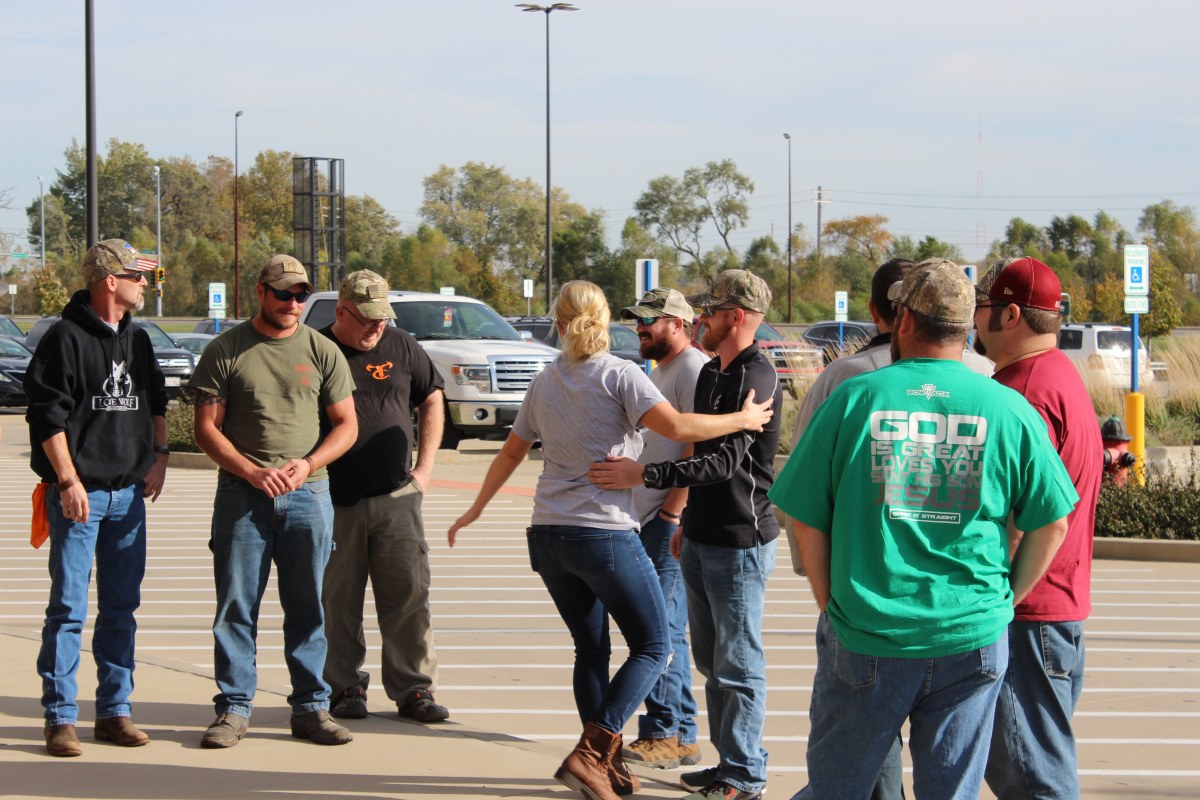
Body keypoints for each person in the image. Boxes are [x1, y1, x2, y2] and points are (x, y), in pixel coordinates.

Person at [447, 280, 773, 800]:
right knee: (654, 644)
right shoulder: (620, 374)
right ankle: (592, 754)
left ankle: (607, 764)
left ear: (558, 323)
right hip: (601, 534)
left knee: (591, 648)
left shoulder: (546, 379)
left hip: (547, 535)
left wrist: (475, 510)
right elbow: (682, 424)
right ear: (605, 324)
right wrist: (746, 418)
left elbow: (510, 454)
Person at [771, 259, 1078, 800]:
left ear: (905, 320)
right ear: (965, 328)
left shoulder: (854, 398)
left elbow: (803, 511)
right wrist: (1007, 601)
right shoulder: (1008, 407)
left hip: (868, 630)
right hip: (972, 636)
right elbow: (1052, 523)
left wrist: (829, 599)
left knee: (840, 788)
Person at [589, 269, 783, 800]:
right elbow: (695, 448)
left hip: (741, 540)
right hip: (701, 536)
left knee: (738, 664)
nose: (704, 320)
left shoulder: (757, 376)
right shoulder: (713, 373)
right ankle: (728, 765)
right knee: (710, 661)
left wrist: (644, 477)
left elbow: (723, 462)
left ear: (737, 317)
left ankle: (745, 774)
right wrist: (684, 520)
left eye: (713, 312)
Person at [190, 254, 358, 748]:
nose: (292, 303)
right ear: (260, 292)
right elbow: (205, 430)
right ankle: (233, 708)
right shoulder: (226, 349)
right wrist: (251, 471)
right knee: (236, 607)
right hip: (244, 497)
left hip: (309, 496)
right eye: (282, 293)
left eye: (301, 294)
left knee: (309, 607)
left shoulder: (321, 349)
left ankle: (311, 708)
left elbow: (347, 425)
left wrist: (306, 465)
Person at [25, 239, 168, 757]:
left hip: (128, 495)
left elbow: (155, 396)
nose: (144, 283)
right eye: (137, 275)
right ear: (110, 280)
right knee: (67, 609)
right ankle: (60, 718)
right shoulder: (64, 337)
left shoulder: (140, 338)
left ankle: (114, 712)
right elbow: (47, 416)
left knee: (120, 609)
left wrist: (160, 455)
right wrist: (67, 482)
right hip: (78, 497)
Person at [974, 257, 1103, 800]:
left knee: (1031, 779)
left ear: (1008, 314)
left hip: (1027, 616)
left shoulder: (1023, 391)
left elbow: (1022, 519)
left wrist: (993, 602)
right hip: (1057, 611)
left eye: (981, 306)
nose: (973, 319)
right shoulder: (1060, 375)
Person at [319, 270, 451, 723]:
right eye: (367, 320)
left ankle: (414, 689)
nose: (377, 328)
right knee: (338, 601)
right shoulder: (318, 350)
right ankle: (343, 688)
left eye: (382, 319)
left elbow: (432, 398)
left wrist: (424, 471)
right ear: (341, 312)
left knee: (409, 597)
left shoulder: (401, 344)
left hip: (398, 497)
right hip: (335, 500)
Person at [617, 288, 708, 770]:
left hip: (664, 519)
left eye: (649, 321)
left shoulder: (690, 369)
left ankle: (665, 733)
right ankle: (682, 732)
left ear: (678, 322)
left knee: (661, 629)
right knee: (666, 627)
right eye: (637, 321)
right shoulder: (665, 369)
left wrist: (673, 512)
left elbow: (696, 446)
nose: (640, 329)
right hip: (651, 515)